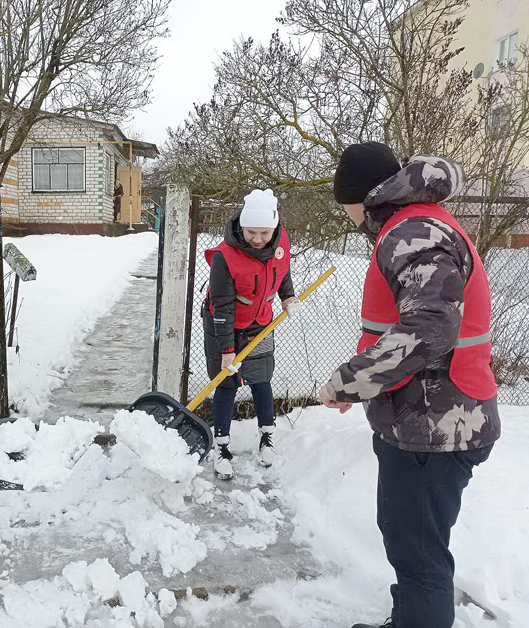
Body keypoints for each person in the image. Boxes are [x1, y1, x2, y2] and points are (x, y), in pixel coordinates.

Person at [318, 142, 500, 628]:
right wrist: (365, 386)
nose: (350, 218)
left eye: (347, 207)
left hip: (436, 426)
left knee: (419, 556)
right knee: (411, 542)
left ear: (360, 197)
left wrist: (350, 381)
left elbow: (430, 327)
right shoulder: (419, 222)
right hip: (428, 418)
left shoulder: (412, 232)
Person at [202, 189, 302, 479]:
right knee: (226, 382)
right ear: (241, 226)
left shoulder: (281, 241)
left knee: (261, 379)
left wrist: (288, 297)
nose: (258, 239)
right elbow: (220, 306)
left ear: (274, 228)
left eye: (264, 233)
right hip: (224, 325)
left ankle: (267, 437)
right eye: (251, 232)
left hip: (261, 323)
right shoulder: (225, 257)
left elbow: (282, 271)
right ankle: (221, 447)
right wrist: (226, 351)